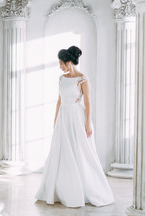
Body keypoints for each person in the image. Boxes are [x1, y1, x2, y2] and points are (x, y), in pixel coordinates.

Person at [35, 46, 115, 207]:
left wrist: (87, 124)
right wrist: (55, 120)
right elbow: (59, 101)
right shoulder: (61, 78)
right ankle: (61, 189)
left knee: (80, 151)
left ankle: (84, 188)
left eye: (61, 63)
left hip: (78, 118)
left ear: (69, 62)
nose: (60, 66)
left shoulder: (83, 79)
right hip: (64, 117)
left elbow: (87, 102)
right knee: (62, 151)